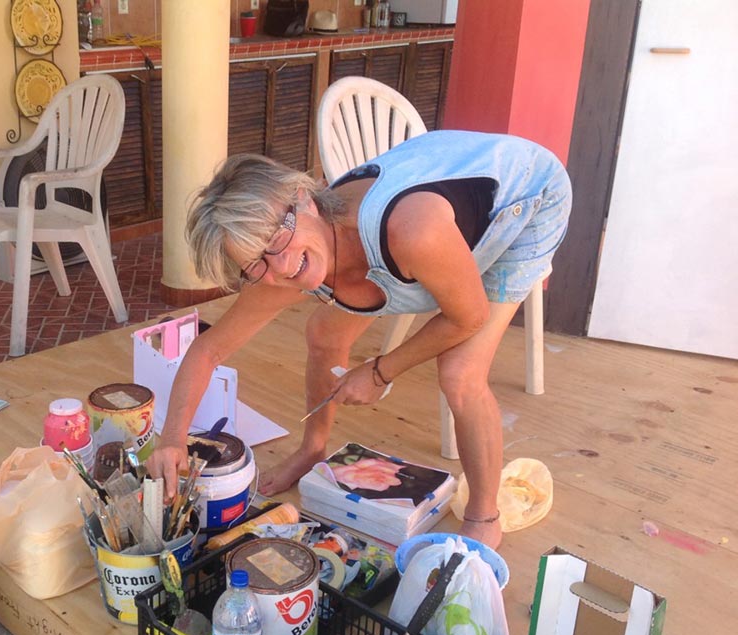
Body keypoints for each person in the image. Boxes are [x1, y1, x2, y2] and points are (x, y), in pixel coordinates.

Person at [146, 130, 572, 549]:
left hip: (526, 195)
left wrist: (380, 371)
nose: (279, 269)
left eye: (275, 240)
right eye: (254, 263)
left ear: (304, 197)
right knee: (324, 331)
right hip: (438, 187)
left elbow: (469, 317)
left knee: (460, 374)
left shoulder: (411, 230)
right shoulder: (283, 256)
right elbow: (208, 349)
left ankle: (484, 515)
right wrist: (172, 442)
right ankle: (313, 448)